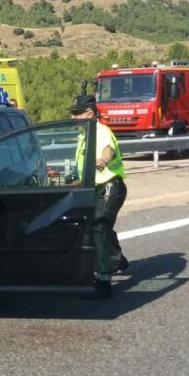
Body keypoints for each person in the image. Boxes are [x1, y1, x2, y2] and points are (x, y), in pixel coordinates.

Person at [70, 87, 126, 299]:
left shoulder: (100, 131)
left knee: (99, 226)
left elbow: (108, 150)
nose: (72, 117)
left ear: (90, 114)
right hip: (94, 187)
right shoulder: (84, 135)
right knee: (95, 227)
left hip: (110, 185)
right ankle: (115, 258)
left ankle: (103, 281)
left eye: (77, 113)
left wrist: (104, 160)